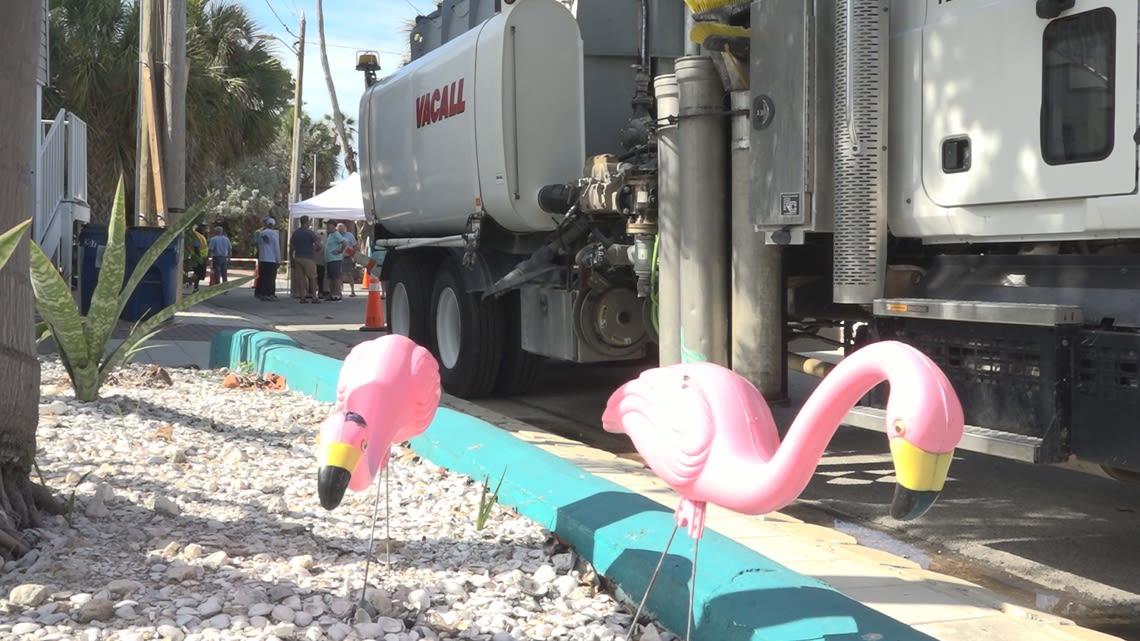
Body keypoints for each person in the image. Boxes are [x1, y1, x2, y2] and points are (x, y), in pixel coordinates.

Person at [290, 215, 321, 304]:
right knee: (313, 277)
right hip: (308, 258)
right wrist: (316, 250)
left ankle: (302, 297)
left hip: (298, 257)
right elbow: (318, 245)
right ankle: (314, 297)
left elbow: (291, 247)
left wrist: (291, 258)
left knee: (301, 279)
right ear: (307, 222)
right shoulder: (310, 233)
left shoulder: (295, 233)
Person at [254, 217, 281, 301]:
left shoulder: (260, 233)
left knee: (262, 277)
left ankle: (260, 293)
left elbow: (256, 244)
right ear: (272, 225)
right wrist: (278, 259)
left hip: (262, 258)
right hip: (271, 259)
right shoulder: (273, 234)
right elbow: (276, 247)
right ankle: (269, 294)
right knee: (270, 278)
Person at [323, 219, 345, 301]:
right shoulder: (330, 234)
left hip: (335, 259)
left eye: (329, 225)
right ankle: (332, 294)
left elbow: (344, 243)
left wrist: (340, 251)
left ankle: (338, 294)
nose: (327, 227)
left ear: (334, 226)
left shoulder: (336, 234)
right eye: (327, 225)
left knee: (336, 278)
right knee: (331, 278)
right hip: (329, 260)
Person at [185, 224, 209, 292]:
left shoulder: (200, 236)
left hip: (200, 257)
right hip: (199, 257)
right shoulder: (197, 236)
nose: (205, 231)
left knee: (197, 273)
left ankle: (192, 284)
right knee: (198, 273)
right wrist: (198, 257)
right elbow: (196, 247)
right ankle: (194, 286)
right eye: (204, 229)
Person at [337, 222, 359, 297]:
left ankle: (352, 291)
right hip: (339, 257)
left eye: (341, 229)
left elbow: (355, 246)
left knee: (349, 274)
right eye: (339, 229)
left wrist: (354, 256)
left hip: (348, 257)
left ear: (345, 229)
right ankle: (339, 291)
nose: (340, 230)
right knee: (340, 275)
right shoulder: (336, 235)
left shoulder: (349, 235)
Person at [314, 227, 328, 300]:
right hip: (314, 263)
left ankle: (320, 292)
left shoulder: (324, 244)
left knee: (320, 279)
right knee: (314, 278)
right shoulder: (314, 245)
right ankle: (314, 292)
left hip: (321, 263)